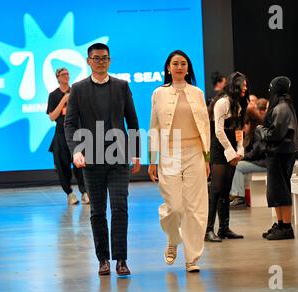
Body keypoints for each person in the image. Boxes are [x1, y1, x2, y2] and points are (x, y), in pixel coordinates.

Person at [64, 43, 141, 276]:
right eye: (96, 58)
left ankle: (121, 260)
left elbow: (133, 122)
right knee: (97, 212)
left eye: (105, 58)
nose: (100, 62)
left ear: (110, 60)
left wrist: (136, 153)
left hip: (118, 158)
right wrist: (76, 150)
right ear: (88, 61)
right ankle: (103, 260)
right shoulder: (78, 89)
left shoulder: (121, 86)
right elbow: (69, 123)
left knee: (120, 208)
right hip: (91, 159)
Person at [148, 50, 210, 272]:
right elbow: (154, 127)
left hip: (194, 150)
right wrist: (152, 160)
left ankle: (191, 258)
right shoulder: (159, 93)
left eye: (183, 63)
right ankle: (173, 240)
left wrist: (206, 157)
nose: (179, 67)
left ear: (188, 68)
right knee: (174, 207)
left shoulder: (197, 93)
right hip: (169, 150)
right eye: (175, 63)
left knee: (195, 207)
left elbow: (205, 127)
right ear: (168, 68)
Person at [205, 72, 249, 242]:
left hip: (232, 150)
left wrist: (239, 150)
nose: (245, 88)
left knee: (225, 191)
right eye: (243, 85)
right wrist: (230, 152)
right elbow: (218, 131)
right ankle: (208, 230)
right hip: (219, 149)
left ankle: (224, 228)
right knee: (215, 190)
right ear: (235, 85)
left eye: (246, 85)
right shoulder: (222, 102)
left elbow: (239, 130)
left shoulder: (238, 104)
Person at [257, 76, 298, 240]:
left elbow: (275, 133)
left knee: (281, 189)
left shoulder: (281, 108)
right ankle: (281, 224)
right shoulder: (284, 106)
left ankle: (286, 227)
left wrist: (260, 130)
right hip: (280, 152)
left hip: (281, 152)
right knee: (276, 190)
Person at [47, 68, 89, 205]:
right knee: (62, 166)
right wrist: (64, 100)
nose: (66, 76)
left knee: (81, 165)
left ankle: (85, 192)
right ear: (57, 77)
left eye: (67, 74)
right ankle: (70, 193)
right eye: (63, 74)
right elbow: (52, 117)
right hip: (60, 135)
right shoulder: (53, 95)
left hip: (76, 133)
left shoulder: (75, 91)